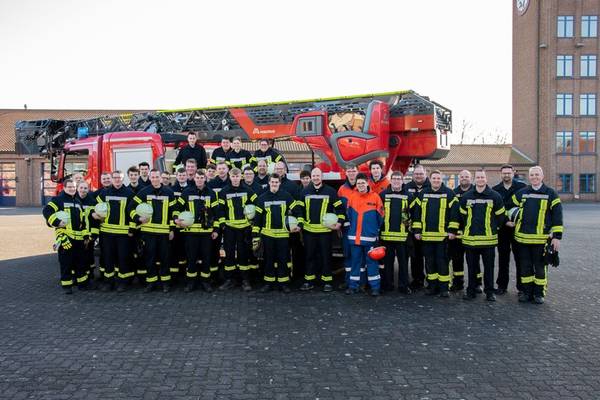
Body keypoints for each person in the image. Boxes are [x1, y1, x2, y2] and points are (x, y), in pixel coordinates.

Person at [510, 166, 563, 304]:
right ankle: (526, 292)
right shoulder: (522, 193)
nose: (534, 177)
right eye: (532, 175)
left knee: (540, 268)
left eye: (537, 174)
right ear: (529, 177)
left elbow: (557, 216)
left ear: (542, 176)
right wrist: (510, 218)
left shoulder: (551, 193)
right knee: (525, 267)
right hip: (522, 238)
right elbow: (509, 206)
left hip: (541, 239)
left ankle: (539, 293)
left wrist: (557, 237)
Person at [459, 169, 505, 302]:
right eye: (478, 177)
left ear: (486, 179)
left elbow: (501, 216)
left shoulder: (495, 196)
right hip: (470, 240)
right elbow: (462, 215)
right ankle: (471, 291)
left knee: (489, 268)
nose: (480, 179)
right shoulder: (466, 196)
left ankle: (489, 292)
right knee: (472, 268)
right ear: (475, 179)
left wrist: (494, 228)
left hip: (488, 241)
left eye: (482, 177)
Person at [295, 168, 345, 292]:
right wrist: (300, 224)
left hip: (325, 232)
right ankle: (309, 281)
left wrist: (339, 222)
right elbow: (299, 210)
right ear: (311, 177)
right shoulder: (304, 192)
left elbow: (340, 209)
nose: (316, 178)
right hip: (309, 232)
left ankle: (327, 282)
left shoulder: (330, 191)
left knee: (326, 256)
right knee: (309, 256)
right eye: (314, 175)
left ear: (322, 177)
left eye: (318, 175)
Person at [412, 170, 459, 298]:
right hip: (426, 236)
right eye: (434, 178)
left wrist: (452, 231)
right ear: (430, 179)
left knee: (442, 262)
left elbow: (454, 213)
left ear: (441, 179)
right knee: (429, 262)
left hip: (443, 237)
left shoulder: (449, 193)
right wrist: (417, 230)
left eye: (438, 178)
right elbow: (417, 213)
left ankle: (444, 288)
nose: (436, 180)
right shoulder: (423, 193)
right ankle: (432, 286)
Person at [130, 169, 177, 293]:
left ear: (161, 178)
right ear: (150, 178)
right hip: (148, 233)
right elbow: (131, 207)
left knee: (165, 258)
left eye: (157, 177)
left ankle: (165, 283)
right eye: (153, 177)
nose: (155, 179)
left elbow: (174, 212)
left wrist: (172, 229)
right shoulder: (143, 192)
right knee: (149, 258)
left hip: (164, 233)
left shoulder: (169, 192)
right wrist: (138, 218)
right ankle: (151, 282)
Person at [43, 179, 90, 294]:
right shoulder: (58, 200)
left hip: (79, 239)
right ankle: (67, 286)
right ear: (64, 188)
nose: (72, 189)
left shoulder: (78, 201)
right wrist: (57, 222)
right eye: (69, 187)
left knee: (80, 263)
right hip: (66, 238)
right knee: (66, 263)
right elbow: (46, 211)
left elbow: (83, 221)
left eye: (73, 187)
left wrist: (85, 237)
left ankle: (82, 284)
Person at [253, 173, 298, 293]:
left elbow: (297, 210)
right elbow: (257, 219)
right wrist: (255, 236)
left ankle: (283, 283)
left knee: (283, 260)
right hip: (267, 235)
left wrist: (299, 224)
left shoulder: (287, 196)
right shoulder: (262, 198)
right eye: (272, 182)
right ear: (269, 182)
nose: (274, 184)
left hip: (283, 235)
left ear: (280, 183)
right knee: (269, 260)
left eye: (276, 182)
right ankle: (269, 283)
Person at [176, 170, 219, 292]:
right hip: (191, 233)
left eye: (201, 177)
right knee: (191, 258)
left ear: (205, 179)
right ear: (194, 179)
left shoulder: (211, 193)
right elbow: (177, 208)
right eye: (197, 178)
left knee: (206, 258)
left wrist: (216, 229)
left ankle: (206, 282)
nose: (199, 180)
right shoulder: (186, 192)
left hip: (206, 233)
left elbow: (217, 213)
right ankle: (191, 282)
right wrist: (176, 219)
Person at [93, 170, 136, 292]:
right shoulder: (104, 193)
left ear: (123, 179)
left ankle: (123, 282)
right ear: (112, 179)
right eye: (115, 177)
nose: (117, 180)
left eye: (119, 177)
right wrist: (93, 213)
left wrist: (132, 229)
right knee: (108, 258)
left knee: (123, 258)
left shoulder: (129, 193)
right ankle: (109, 282)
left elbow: (133, 213)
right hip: (107, 233)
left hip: (123, 234)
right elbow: (95, 206)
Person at [216, 167, 258, 292]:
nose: (235, 179)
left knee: (243, 254)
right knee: (229, 254)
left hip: (244, 229)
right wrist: (223, 225)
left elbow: (257, 203)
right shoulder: (224, 191)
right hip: (229, 228)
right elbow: (220, 209)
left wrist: (252, 221)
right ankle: (229, 280)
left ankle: (245, 280)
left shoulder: (248, 190)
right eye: (233, 176)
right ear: (230, 177)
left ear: (241, 177)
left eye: (237, 176)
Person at [346, 173, 384, 296]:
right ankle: (353, 286)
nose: (361, 185)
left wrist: (374, 230)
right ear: (356, 184)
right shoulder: (352, 197)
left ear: (367, 183)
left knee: (372, 263)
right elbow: (349, 215)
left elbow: (381, 217)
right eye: (358, 183)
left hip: (370, 238)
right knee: (355, 263)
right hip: (354, 238)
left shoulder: (375, 197)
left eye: (363, 183)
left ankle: (375, 288)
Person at [492, 164, 527, 295]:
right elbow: (495, 210)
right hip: (503, 229)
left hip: (518, 228)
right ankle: (502, 286)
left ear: (514, 173)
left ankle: (522, 287)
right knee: (503, 258)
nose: (506, 175)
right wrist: (506, 221)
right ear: (500, 174)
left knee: (520, 258)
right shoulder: (495, 190)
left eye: (509, 173)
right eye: (504, 173)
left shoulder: (523, 188)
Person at [379, 171, 415, 294]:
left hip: (403, 237)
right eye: (394, 179)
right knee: (387, 263)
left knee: (403, 263)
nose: (396, 181)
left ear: (402, 181)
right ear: (391, 180)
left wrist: (411, 228)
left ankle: (403, 286)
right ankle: (387, 285)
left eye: (398, 179)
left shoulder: (409, 196)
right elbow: (379, 213)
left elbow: (414, 214)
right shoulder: (383, 195)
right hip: (386, 236)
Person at [449, 170, 479, 292]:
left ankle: (477, 284)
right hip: (457, 234)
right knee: (457, 259)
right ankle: (458, 282)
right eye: (462, 176)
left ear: (471, 178)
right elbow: (451, 213)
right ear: (459, 178)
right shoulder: (453, 193)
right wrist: (452, 230)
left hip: (473, 233)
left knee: (474, 260)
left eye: (467, 176)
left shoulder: (476, 192)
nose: (464, 178)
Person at [404, 164, 430, 290]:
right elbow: (403, 207)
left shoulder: (431, 186)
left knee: (430, 256)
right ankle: (417, 280)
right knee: (415, 256)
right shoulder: (407, 187)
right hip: (413, 228)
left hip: (429, 227)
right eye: (416, 174)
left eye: (421, 174)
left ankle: (431, 280)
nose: (418, 176)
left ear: (425, 174)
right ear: (413, 175)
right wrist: (405, 221)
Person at [337, 163, 358, 289]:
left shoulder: (363, 186)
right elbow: (338, 209)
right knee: (348, 255)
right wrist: (339, 225)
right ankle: (348, 281)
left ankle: (360, 282)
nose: (351, 173)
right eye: (349, 171)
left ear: (357, 172)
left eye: (353, 171)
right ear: (346, 173)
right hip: (347, 229)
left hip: (361, 228)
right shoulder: (341, 190)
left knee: (359, 255)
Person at [170, 168, 190, 279]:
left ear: (187, 176)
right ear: (176, 176)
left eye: (183, 175)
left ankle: (184, 274)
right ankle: (174, 276)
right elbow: (170, 209)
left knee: (186, 250)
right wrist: (172, 226)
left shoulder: (191, 189)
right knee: (174, 250)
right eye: (180, 175)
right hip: (175, 225)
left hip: (188, 226)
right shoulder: (171, 190)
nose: (181, 177)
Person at [77, 180, 98, 285]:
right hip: (76, 234)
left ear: (88, 189)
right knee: (78, 256)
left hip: (89, 235)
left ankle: (90, 275)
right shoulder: (74, 200)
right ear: (77, 189)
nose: (83, 190)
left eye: (85, 188)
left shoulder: (92, 201)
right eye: (81, 188)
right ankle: (77, 276)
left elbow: (95, 221)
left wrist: (93, 235)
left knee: (89, 256)